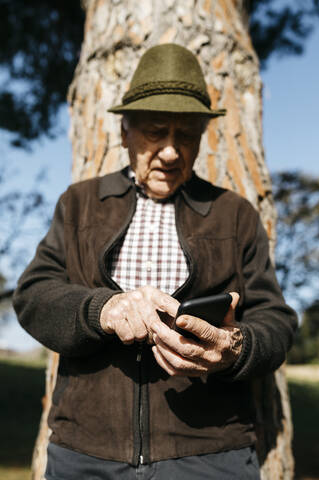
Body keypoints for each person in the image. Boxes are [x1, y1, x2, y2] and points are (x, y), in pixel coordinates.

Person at [13, 43, 297, 480]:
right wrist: (102, 310)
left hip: (211, 453)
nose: (170, 151)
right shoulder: (80, 204)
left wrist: (235, 347)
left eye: (186, 135)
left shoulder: (234, 213)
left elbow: (275, 320)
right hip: (87, 453)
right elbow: (33, 296)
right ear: (124, 132)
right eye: (155, 131)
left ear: (202, 137)